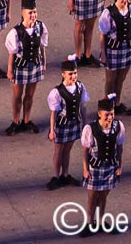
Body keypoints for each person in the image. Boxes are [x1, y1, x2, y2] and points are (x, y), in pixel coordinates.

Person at [79, 95, 125, 237]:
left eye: (112, 114)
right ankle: (89, 223)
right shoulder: (90, 128)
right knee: (92, 196)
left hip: (110, 167)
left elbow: (119, 148)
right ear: (99, 114)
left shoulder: (118, 126)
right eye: (107, 114)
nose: (110, 117)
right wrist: (85, 169)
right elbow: (85, 151)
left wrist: (119, 166)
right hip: (95, 168)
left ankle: (100, 222)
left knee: (104, 194)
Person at [4, 0, 47, 135]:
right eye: (30, 13)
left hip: (35, 65)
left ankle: (27, 120)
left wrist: (44, 63)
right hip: (20, 67)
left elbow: (42, 46)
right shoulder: (16, 32)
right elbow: (12, 53)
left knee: (30, 95)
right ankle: (15, 121)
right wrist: (10, 70)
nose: (33, 15)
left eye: (34, 12)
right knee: (17, 96)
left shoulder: (40, 27)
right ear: (23, 14)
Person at [98, 0, 131, 116]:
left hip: (128, 49)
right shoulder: (108, 12)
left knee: (121, 78)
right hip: (113, 50)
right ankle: (108, 105)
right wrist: (103, 53)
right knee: (110, 80)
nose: (125, 0)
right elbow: (102, 35)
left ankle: (117, 103)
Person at [46, 55, 89, 190]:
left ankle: (65, 174)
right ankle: (56, 176)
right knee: (59, 150)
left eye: (75, 73)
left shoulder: (80, 87)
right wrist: (52, 130)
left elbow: (82, 107)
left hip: (74, 123)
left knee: (68, 150)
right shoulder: (57, 92)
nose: (73, 76)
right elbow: (54, 113)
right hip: (61, 125)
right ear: (63, 74)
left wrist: (85, 124)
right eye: (70, 74)